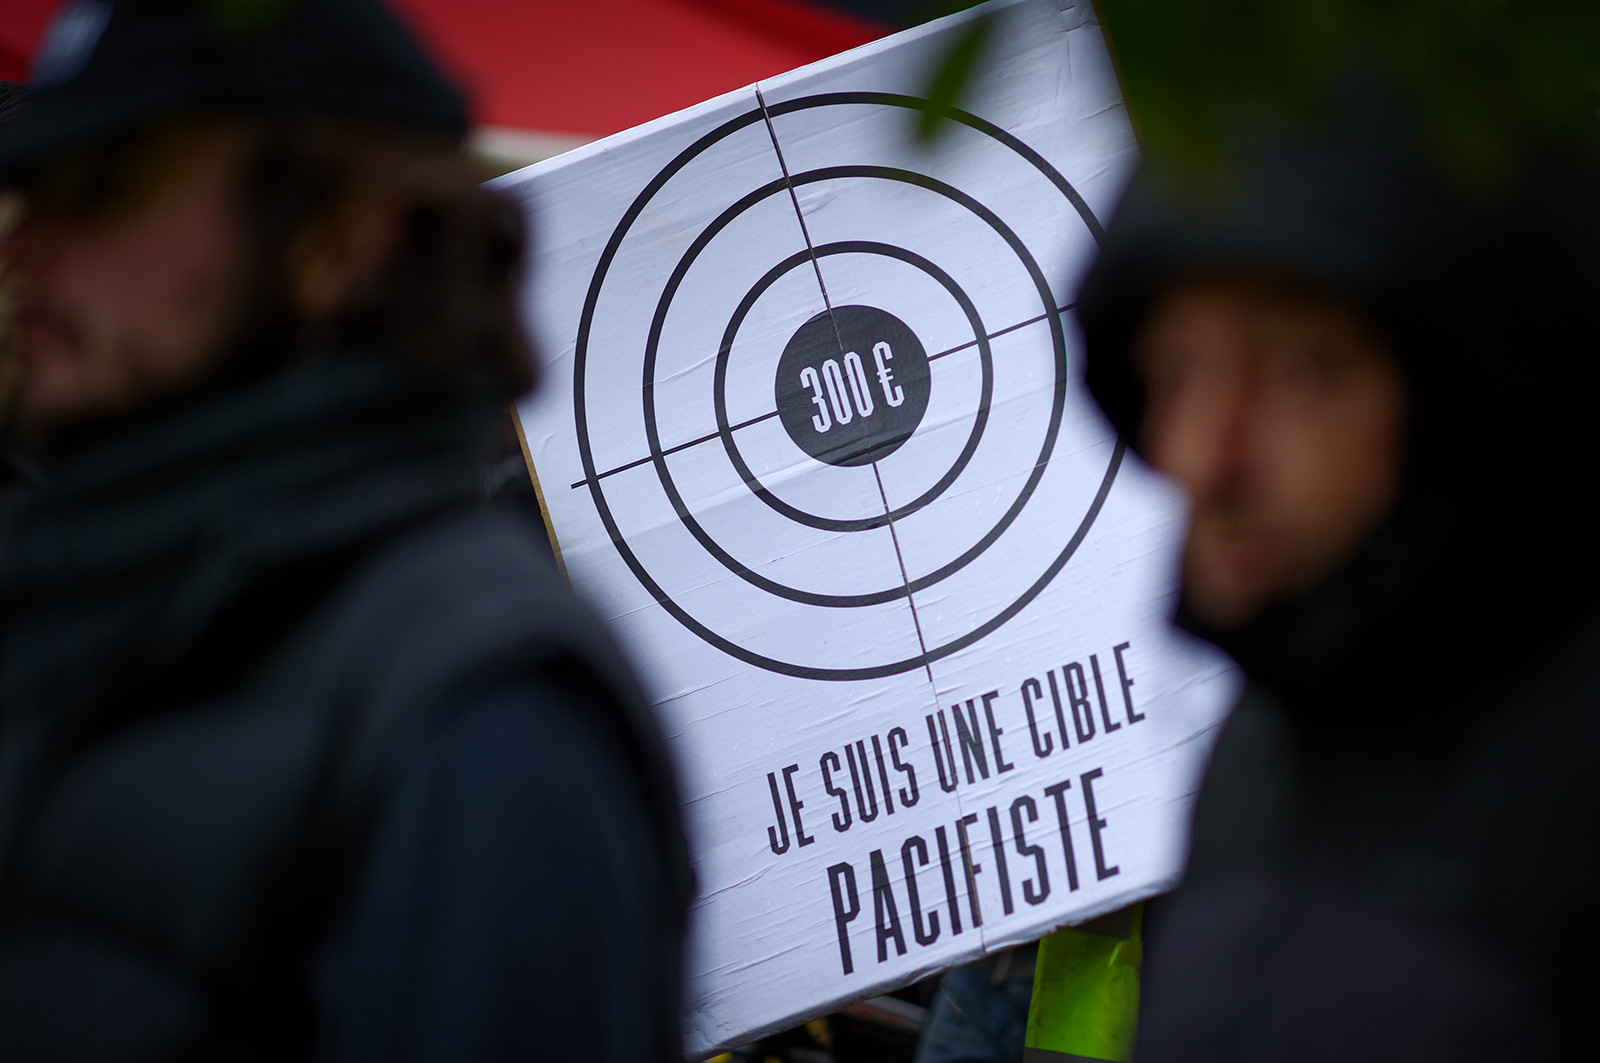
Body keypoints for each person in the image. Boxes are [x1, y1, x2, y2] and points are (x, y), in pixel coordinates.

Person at [0, 1, 691, 1059]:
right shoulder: (79, 609)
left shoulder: (486, 706)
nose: (30, 244)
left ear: (338, 240)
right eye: (32, 190)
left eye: (102, 188)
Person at [1076, 84, 1600, 1060]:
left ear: (1474, 380)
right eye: (1174, 372)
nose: (1207, 459)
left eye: (1301, 369)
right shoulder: (1262, 740)